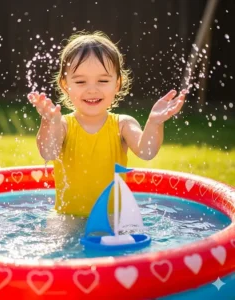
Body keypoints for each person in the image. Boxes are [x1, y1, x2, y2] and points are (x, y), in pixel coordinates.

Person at [28, 31, 186, 217]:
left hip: (114, 221)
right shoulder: (63, 125)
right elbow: (48, 152)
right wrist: (49, 122)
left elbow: (147, 151)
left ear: (117, 84)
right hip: (67, 220)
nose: (92, 89)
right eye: (80, 81)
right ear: (65, 84)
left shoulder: (123, 125)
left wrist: (154, 123)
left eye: (103, 80)